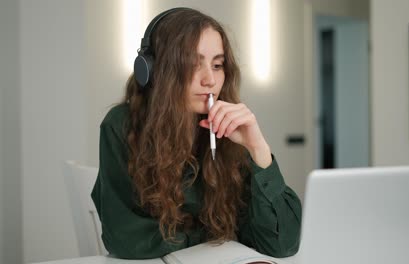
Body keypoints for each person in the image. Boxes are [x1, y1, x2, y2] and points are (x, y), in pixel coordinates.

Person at [91, 7, 301, 259]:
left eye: (217, 65)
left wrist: (258, 149)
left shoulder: (229, 130)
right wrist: (214, 234)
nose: (210, 80)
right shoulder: (122, 125)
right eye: (192, 64)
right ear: (154, 70)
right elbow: (127, 239)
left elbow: (283, 244)